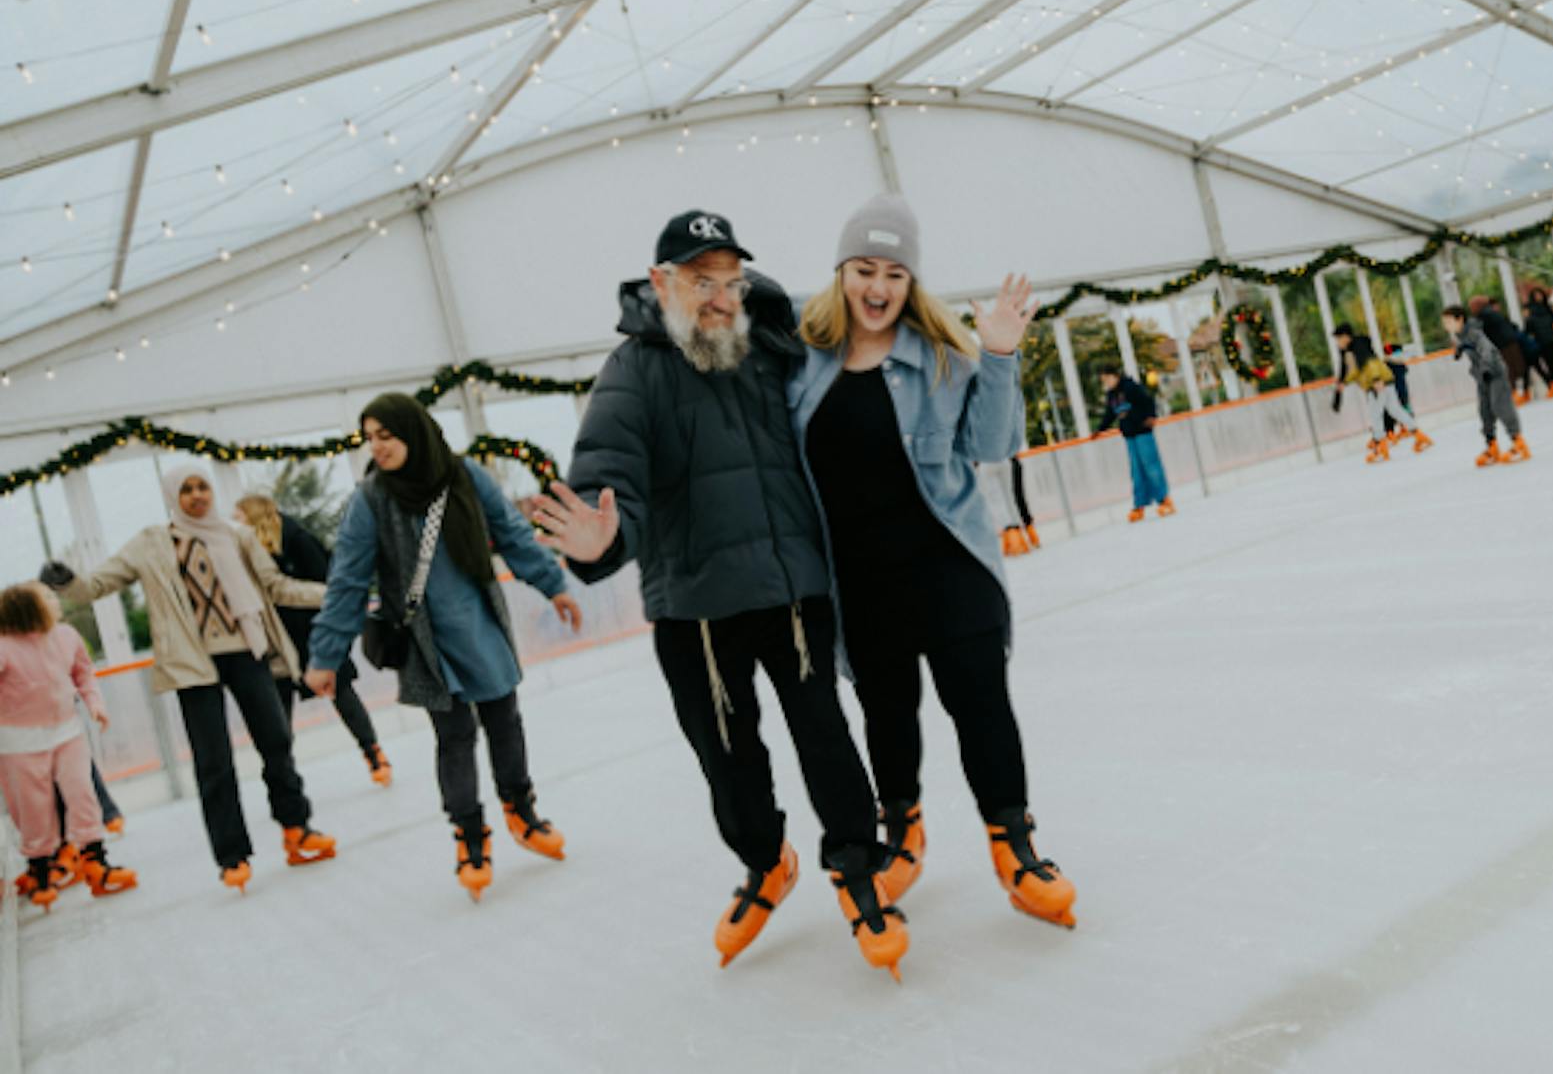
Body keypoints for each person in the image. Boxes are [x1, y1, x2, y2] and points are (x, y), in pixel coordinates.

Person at [532, 208, 906, 978]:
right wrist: (603, 539)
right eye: (703, 281)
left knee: (826, 739)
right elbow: (608, 470)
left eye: (730, 280)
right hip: (697, 610)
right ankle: (766, 861)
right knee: (729, 759)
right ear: (663, 282)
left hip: (793, 588)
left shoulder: (771, 345)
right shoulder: (633, 372)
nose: (719, 297)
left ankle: (860, 871)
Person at [791, 193, 1076, 933]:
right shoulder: (802, 365)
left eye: (893, 272)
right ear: (841, 272)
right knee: (888, 717)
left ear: (911, 281)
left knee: (981, 704)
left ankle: (1015, 844)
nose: (878, 287)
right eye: (863, 269)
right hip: (861, 582)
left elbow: (990, 445)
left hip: (950, 568)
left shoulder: (943, 356)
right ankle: (902, 834)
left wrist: (1002, 352)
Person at [303, 395, 582, 903]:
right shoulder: (371, 500)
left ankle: (521, 810)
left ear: (414, 431)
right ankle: (470, 837)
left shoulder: (465, 477)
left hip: (477, 623)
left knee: (505, 720)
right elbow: (346, 582)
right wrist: (324, 657)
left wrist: (553, 584)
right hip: (424, 641)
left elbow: (513, 535)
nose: (377, 446)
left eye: (386, 435)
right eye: (370, 437)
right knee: (454, 737)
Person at [41, 463, 336, 893]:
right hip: (192, 663)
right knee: (213, 761)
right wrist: (67, 582)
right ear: (171, 496)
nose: (197, 495)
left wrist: (333, 593)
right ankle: (231, 855)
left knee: (276, 740)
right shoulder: (152, 543)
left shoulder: (238, 536)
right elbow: (99, 583)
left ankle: (297, 828)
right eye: (186, 489)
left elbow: (276, 586)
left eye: (202, 487)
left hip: (247, 651)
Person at [233, 495, 392, 787]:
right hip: (279, 640)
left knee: (341, 691)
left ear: (254, 517)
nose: (235, 524)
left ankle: (373, 752)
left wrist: (333, 624)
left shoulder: (297, 540)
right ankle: (283, 774)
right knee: (278, 708)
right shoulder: (248, 553)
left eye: (239, 517)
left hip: (315, 632)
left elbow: (327, 581)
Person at [0, 583, 137, 910]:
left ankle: (96, 863)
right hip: (20, 741)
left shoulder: (66, 636)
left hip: (67, 732)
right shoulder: (5, 646)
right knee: (32, 806)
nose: (54, 601)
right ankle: (40, 872)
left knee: (82, 794)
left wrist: (95, 704)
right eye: (45, 598)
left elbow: (84, 674)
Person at [1332, 323, 1432, 463]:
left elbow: (1369, 364)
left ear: (1345, 337)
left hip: (1376, 384)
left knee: (1376, 415)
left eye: (1338, 339)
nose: (1338, 342)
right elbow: (1356, 369)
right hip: (1385, 380)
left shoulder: (1357, 347)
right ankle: (1420, 436)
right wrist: (1344, 382)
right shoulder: (1354, 347)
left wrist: (1375, 379)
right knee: (1395, 409)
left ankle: (1380, 448)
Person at [1443, 306, 1530, 466]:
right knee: (1484, 410)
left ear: (1460, 319)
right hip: (1481, 375)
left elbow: (1487, 349)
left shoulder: (1474, 332)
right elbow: (1470, 347)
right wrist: (1460, 349)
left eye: (1448, 321)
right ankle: (1492, 446)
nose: (1446, 325)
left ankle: (1518, 442)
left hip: (1494, 372)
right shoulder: (1460, 335)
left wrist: (1487, 368)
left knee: (1500, 406)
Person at [1095, 365, 1174, 522]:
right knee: (1136, 471)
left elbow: (1147, 400)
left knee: (1151, 467)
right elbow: (1110, 414)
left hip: (1143, 432)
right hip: (1129, 435)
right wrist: (1100, 430)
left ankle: (1164, 499)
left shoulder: (1130, 387)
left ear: (1115, 376)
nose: (1107, 383)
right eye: (1104, 381)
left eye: (1108, 379)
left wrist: (1151, 417)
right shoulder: (1112, 395)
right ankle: (1139, 504)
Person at [1469, 296, 1529, 404]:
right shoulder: (1492, 312)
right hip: (1510, 342)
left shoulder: (1483, 316)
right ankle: (1519, 393)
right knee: (1514, 368)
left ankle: (1514, 394)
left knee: (1508, 369)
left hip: (1502, 346)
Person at [1522, 287, 1553, 395]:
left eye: (1540, 295)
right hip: (1541, 340)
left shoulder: (1549, 308)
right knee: (1548, 362)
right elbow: (1528, 328)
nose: (1538, 297)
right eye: (1536, 295)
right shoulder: (1530, 312)